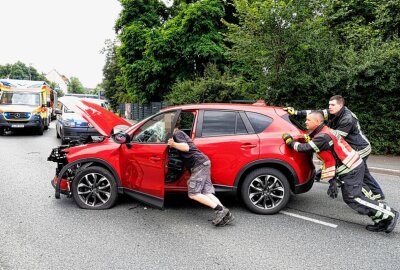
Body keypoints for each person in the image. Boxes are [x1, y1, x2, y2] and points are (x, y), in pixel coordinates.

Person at [282, 111, 398, 233]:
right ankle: (381, 220)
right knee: (353, 198)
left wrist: (290, 141)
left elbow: (303, 148)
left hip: (351, 167)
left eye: (308, 120)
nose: (305, 122)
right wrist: (332, 180)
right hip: (350, 166)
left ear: (317, 122)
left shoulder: (322, 137)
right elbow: (328, 154)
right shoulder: (324, 131)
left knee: (353, 197)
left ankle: (390, 214)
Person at [285, 95, 384, 200]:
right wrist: (296, 112)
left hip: (360, 148)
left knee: (355, 170)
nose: (330, 107)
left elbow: (334, 138)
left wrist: (313, 139)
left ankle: (370, 195)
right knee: (360, 170)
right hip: (351, 146)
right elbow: (316, 114)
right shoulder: (334, 112)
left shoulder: (347, 119)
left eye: (332, 105)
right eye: (329, 104)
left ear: (341, 105)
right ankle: (376, 192)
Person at [167, 117, 234, 226]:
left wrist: (173, 144)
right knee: (206, 192)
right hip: (203, 162)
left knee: (193, 193)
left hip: (199, 164)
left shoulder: (177, 134)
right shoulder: (179, 133)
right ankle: (225, 214)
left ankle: (220, 210)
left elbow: (186, 147)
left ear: (170, 124)